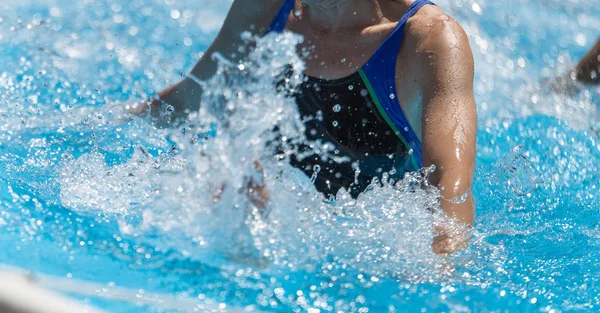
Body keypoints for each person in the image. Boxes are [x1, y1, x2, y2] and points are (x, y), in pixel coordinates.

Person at [130, 0, 477, 255]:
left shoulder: (429, 40)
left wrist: (440, 270)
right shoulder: (267, 8)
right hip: (280, 221)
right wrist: (100, 124)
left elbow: (449, 182)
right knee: (234, 185)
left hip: (368, 239)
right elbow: (193, 98)